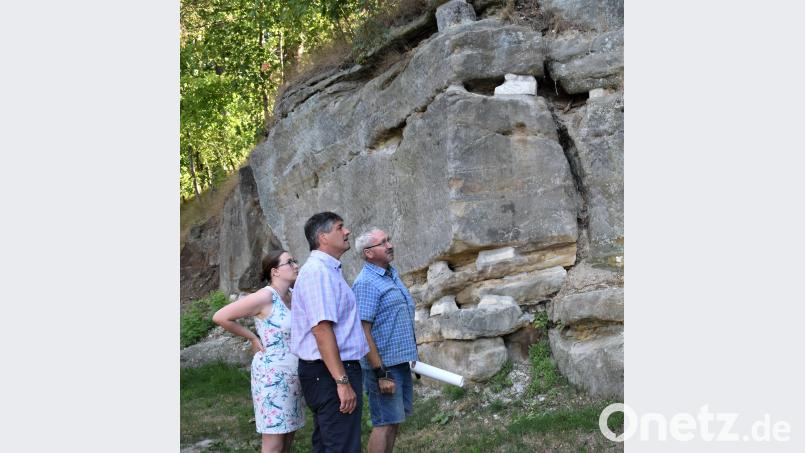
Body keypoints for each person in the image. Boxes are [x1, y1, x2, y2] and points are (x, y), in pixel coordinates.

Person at [291, 212, 369, 453]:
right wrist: (342, 381)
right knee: (342, 446)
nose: (347, 232)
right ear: (323, 237)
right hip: (329, 372)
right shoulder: (318, 272)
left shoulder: (328, 269)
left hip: (329, 371)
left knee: (329, 444)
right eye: (340, 227)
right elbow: (322, 330)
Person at [212, 250, 305, 453]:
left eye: (295, 261)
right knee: (274, 442)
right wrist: (253, 337)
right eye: (289, 262)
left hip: (294, 374)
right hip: (272, 376)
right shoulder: (265, 296)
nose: (296, 265)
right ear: (275, 271)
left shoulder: (294, 295)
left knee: (289, 435)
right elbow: (221, 316)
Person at [352, 228, 418, 453]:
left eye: (389, 239)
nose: (390, 245)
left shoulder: (391, 274)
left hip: (398, 363)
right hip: (383, 367)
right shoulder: (366, 283)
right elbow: (362, 331)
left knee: (394, 422)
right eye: (383, 243)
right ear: (368, 253)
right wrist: (381, 373)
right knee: (384, 424)